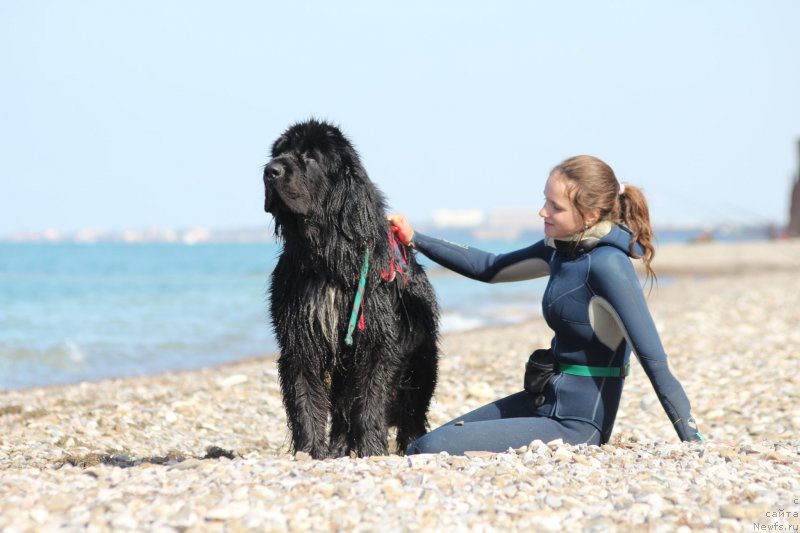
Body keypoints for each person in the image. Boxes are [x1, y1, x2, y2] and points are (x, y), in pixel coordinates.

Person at [388, 155, 704, 455]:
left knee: (427, 449)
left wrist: (694, 441)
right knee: (428, 442)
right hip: (542, 401)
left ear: (591, 215)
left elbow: (654, 361)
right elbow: (491, 266)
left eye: (556, 207)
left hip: (577, 425)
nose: (543, 212)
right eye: (545, 201)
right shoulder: (559, 249)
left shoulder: (609, 266)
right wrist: (415, 238)